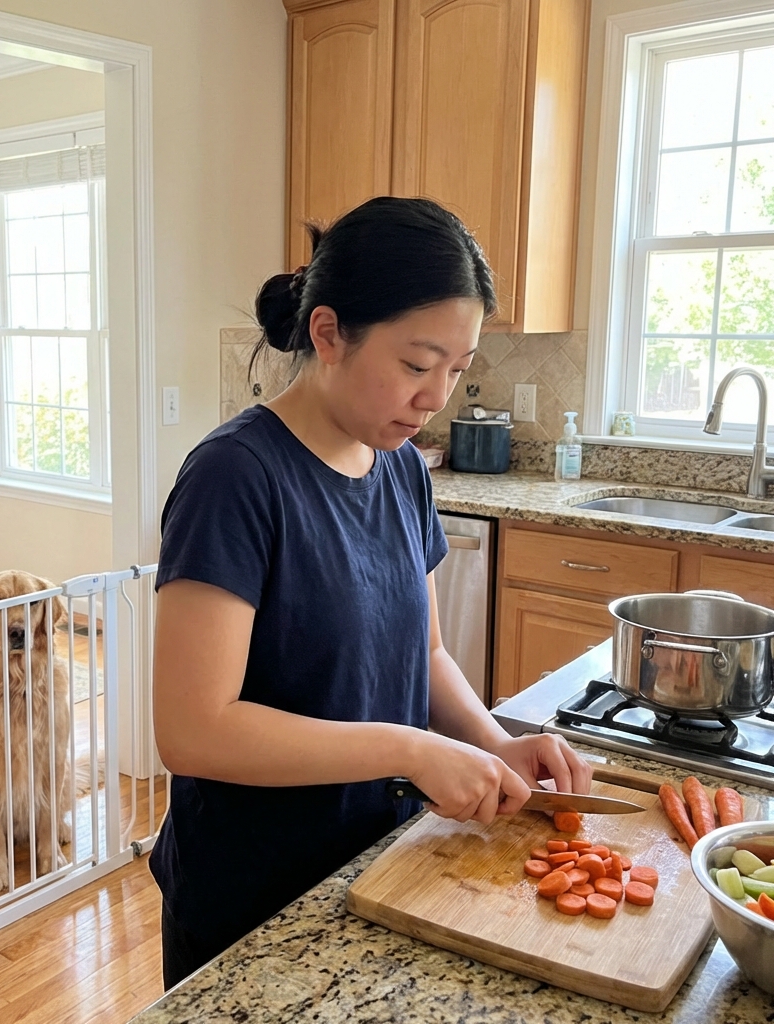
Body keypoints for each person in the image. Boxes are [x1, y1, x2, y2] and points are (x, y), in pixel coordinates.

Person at [149, 196, 593, 988]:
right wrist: (411, 750)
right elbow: (193, 729)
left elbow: (421, 655)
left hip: (376, 867)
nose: (437, 399)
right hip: (250, 898)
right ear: (328, 333)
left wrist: (492, 742)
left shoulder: (400, 471)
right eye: (418, 366)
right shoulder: (234, 478)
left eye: (457, 372)